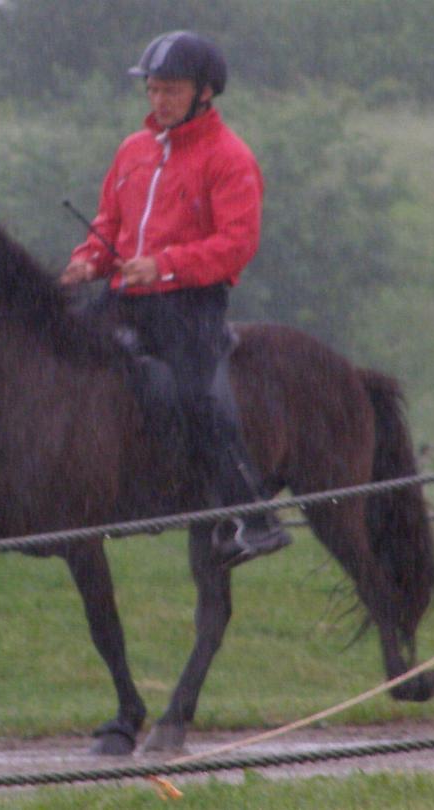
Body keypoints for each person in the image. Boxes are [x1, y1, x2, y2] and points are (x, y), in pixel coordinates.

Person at [61, 30, 291, 569]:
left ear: (203, 94)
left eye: (170, 91)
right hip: (125, 294)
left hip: (190, 304)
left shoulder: (230, 158)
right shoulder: (132, 151)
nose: (158, 101)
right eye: (153, 90)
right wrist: (88, 261)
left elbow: (237, 244)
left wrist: (164, 264)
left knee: (196, 396)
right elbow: (108, 224)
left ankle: (256, 519)